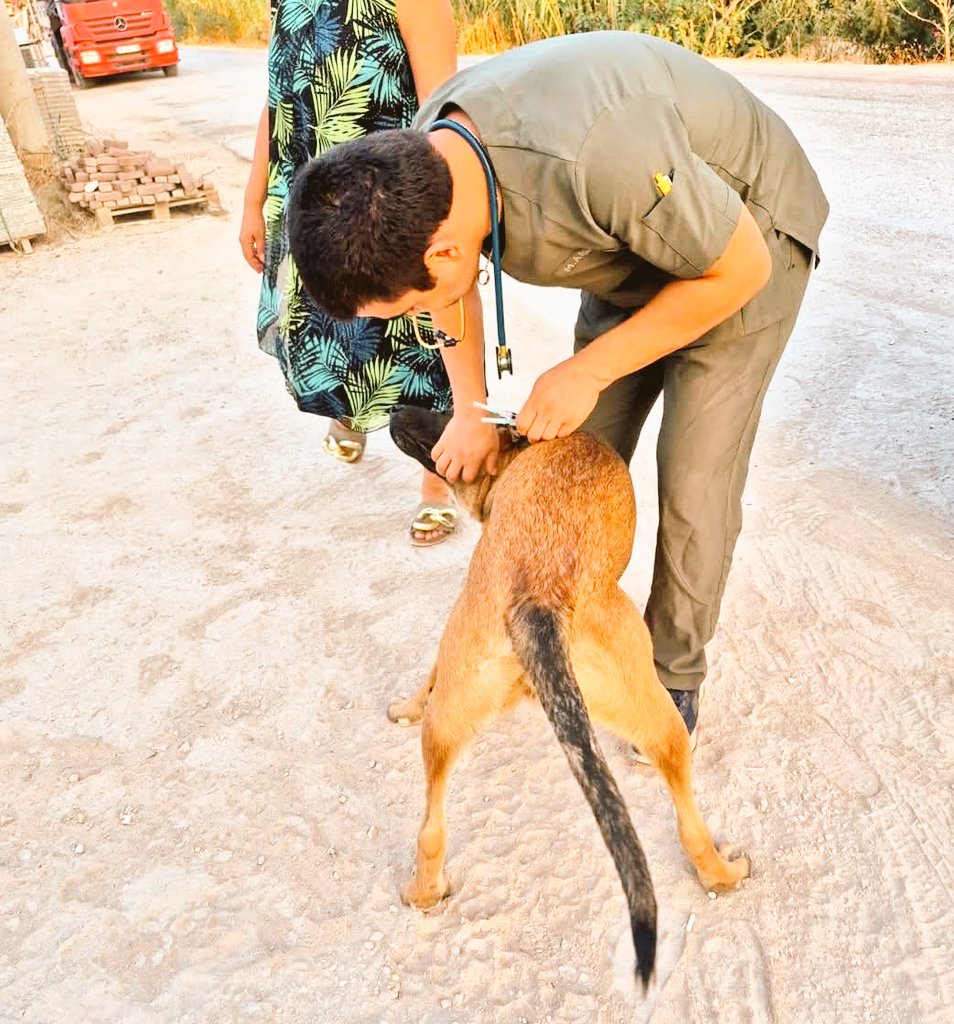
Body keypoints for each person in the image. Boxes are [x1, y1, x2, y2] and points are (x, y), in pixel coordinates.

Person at [286, 31, 830, 745]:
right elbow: (447, 294)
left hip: (744, 242)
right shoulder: (421, 169)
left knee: (695, 475)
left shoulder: (597, 154)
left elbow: (738, 269)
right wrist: (473, 413)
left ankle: (670, 676)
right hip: (629, 246)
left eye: (405, 307)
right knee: (567, 461)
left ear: (442, 250)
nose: (417, 315)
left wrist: (591, 367)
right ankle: (558, 634)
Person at [240, 0, 460, 546]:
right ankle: (354, 412)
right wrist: (253, 198)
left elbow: (444, 108)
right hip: (310, 198)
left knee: (418, 339)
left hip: (388, 204)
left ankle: (437, 479)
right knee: (331, 320)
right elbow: (276, 100)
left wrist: (444, 221)